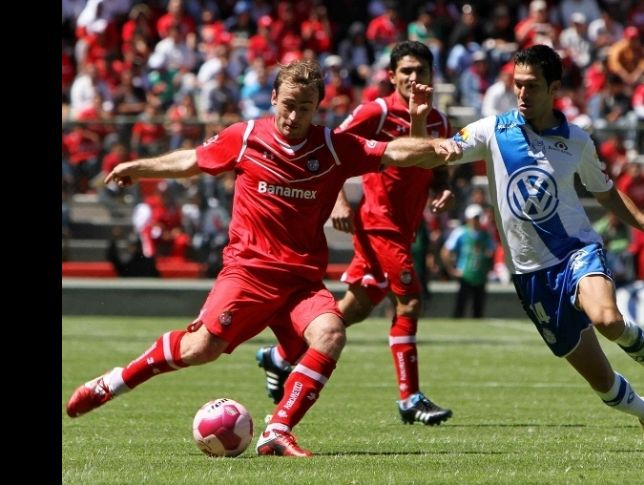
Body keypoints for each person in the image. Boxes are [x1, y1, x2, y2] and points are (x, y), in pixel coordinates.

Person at [64, 60, 462, 457]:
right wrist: (139, 168)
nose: (294, 115)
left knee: (331, 333)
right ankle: (112, 383)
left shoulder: (334, 147)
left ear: (317, 108)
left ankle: (277, 430)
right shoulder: (247, 136)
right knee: (200, 349)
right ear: (273, 98)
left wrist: (437, 146)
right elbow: (192, 160)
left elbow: (394, 151)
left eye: (305, 107)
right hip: (248, 274)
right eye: (288, 104)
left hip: (301, 284)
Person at [442, 45, 644, 451]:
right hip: (530, 276)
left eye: (532, 86)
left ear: (555, 88)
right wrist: (438, 176)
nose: (522, 94)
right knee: (602, 383)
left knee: (606, 318)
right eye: (517, 85)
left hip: (576, 251)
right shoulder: (492, 130)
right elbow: (443, 152)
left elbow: (606, 193)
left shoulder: (576, 141)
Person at [255, 41, 455, 426]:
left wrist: (442, 186)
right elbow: (331, 147)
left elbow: (431, 160)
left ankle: (280, 357)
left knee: (360, 304)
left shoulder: (438, 121)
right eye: (406, 71)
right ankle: (410, 397)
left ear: (432, 75)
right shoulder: (376, 111)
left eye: (421, 71)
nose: (414, 78)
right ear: (392, 75)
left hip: (405, 226)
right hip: (379, 222)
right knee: (409, 301)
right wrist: (338, 201)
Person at [441, 203, 496, 318]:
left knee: (478, 310)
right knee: (460, 307)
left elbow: (492, 252)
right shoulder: (460, 232)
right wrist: (451, 270)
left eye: (477, 218)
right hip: (465, 276)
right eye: (474, 218)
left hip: (480, 276)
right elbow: (446, 251)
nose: (475, 221)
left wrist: (489, 269)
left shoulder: (486, 235)